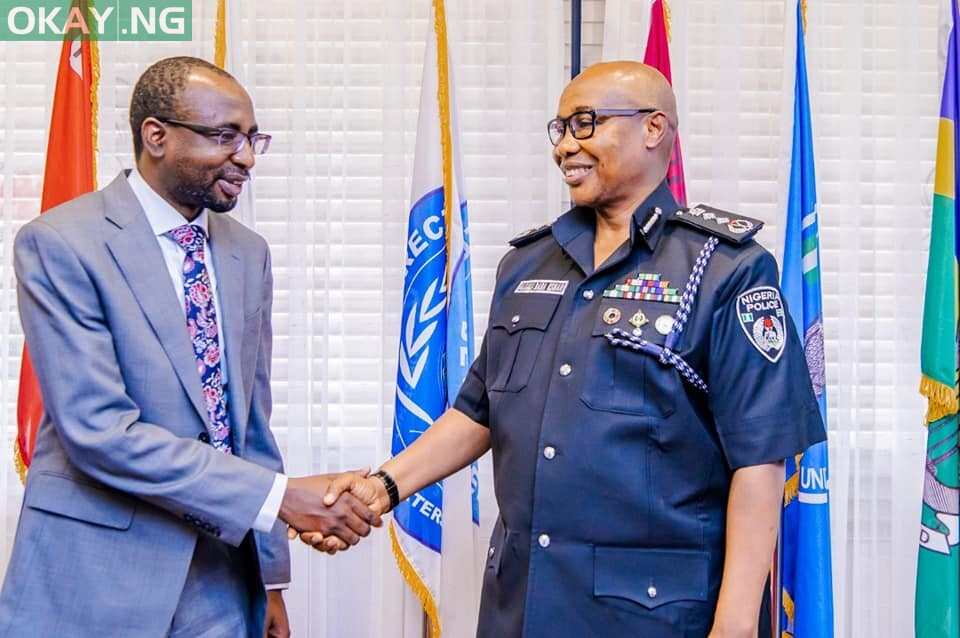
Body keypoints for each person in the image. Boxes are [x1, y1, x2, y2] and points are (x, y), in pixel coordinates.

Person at [312, 61, 826, 637]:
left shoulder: (727, 267)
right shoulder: (526, 264)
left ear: (654, 129)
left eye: (586, 123)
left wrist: (734, 624)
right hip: (525, 603)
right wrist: (382, 487)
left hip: (654, 613)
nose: (566, 147)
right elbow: (479, 411)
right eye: (560, 130)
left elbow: (760, 458)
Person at [0, 56, 379, 638]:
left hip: (224, 577)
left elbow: (250, 423)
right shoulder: (59, 244)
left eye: (253, 139)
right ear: (156, 135)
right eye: (225, 136)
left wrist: (270, 579)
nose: (246, 157)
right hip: (98, 572)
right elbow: (98, 431)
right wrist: (281, 499)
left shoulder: (247, 253)